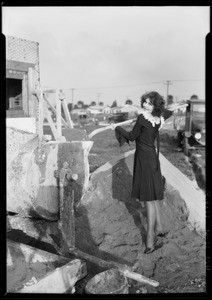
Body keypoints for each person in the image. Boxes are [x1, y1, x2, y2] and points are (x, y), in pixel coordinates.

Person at [114, 91, 173, 254]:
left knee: (148, 199)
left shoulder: (142, 118)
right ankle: (159, 228)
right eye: (144, 102)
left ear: (154, 104)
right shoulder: (159, 118)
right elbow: (169, 111)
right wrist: (160, 107)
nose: (145, 105)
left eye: (149, 103)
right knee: (153, 196)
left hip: (143, 160)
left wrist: (118, 129)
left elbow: (132, 137)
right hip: (153, 158)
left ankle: (150, 240)